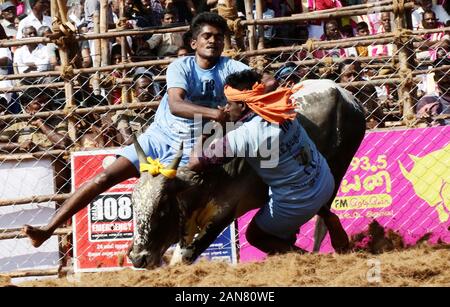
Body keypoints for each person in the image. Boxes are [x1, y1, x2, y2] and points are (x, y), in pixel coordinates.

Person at [22, 12, 249, 248]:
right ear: (194, 43)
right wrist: (216, 114)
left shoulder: (232, 68)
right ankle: (48, 230)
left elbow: (262, 83)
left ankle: (149, 247)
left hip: (191, 151)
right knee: (103, 178)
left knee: (168, 202)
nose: (213, 41)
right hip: (157, 140)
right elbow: (176, 104)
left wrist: (247, 103)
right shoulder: (181, 66)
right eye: (207, 36)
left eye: (219, 37)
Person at [188, 69, 346, 254]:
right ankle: (326, 214)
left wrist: (210, 129)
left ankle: (309, 261)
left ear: (243, 106)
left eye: (230, 104)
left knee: (255, 236)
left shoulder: (244, 136)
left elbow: (194, 162)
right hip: (324, 180)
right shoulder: (281, 106)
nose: (227, 108)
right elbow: (269, 81)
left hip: (300, 200)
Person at [415, 57, 450, 126]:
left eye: (449, 76)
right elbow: (420, 125)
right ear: (435, 78)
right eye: (442, 76)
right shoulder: (428, 101)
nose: (446, 80)